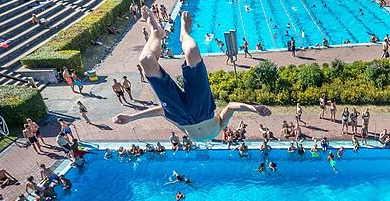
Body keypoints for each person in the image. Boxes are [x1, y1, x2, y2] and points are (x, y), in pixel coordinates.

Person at [113, 9, 271, 142]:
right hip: (204, 109)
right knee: (192, 51)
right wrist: (253, 108)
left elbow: (162, 111)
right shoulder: (219, 127)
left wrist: (131, 118)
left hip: (180, 116)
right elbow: (231, 106)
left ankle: (155, 33)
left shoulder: (184, 128)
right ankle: (184, 33)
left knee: (146, 60)